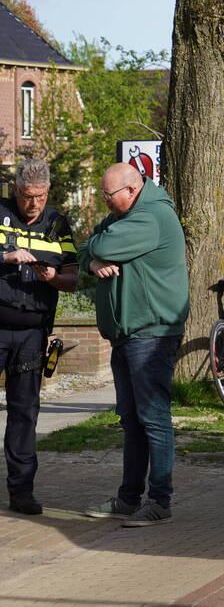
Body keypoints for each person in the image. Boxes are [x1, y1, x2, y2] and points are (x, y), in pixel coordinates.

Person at [79, 164, 188, 527]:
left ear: (131, 189)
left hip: (151, 333)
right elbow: (85, 249)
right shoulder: (127, 215)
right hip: (128, 333)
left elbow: (101, 241)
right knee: (132, 421)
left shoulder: (150, 217)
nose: (104, 202)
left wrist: (97, 249)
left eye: (108, 196)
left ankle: (159, 501)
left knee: (153, 418)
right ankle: (128, 499)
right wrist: (93, 261)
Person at [1, 159, 78, 515]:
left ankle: (21, 493)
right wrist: (6, 256)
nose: (34, 204)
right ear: (16, 190)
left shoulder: (58, 223)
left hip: (33, 332)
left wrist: (52, 278)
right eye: (28, 196)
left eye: (41, 197)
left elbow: (73, 278)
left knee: (24, 414)